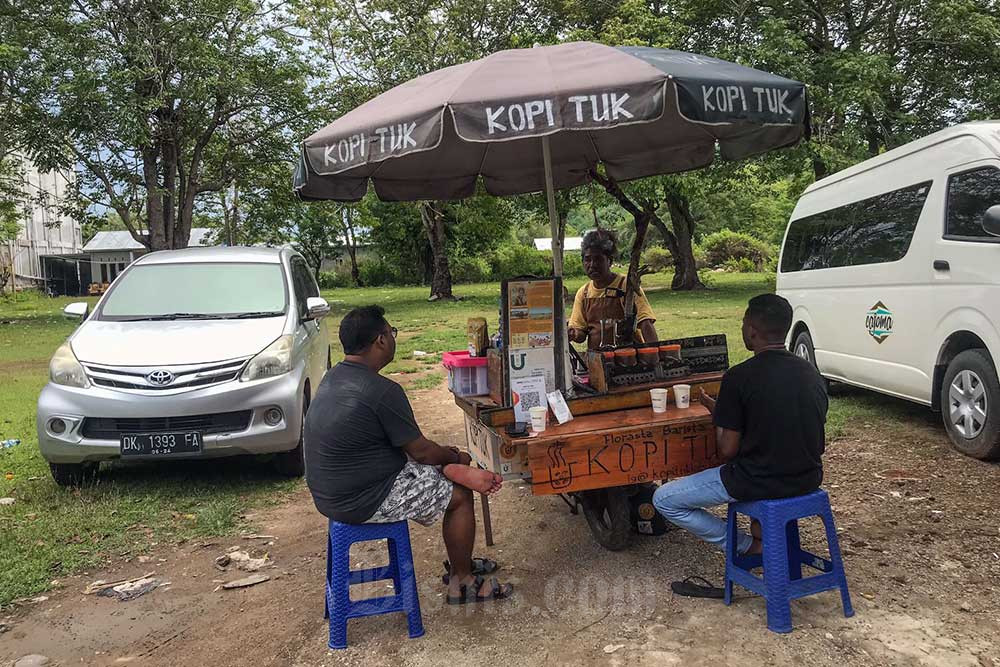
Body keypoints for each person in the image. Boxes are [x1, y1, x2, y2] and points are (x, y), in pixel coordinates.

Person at [304, 305, 513, 604]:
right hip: (360, 499)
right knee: (459, 495)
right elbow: (422, 451)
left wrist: (447, 459)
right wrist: (455, 458)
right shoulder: (381, 390)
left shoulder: (334, 377)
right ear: (380, 340)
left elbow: (407, 449)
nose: (393, 337)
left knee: (442, 466)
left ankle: (460, 559)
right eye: (391, 332)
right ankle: (463, 581)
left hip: (328, 493)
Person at [652, 294, 828, 593]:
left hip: (756, 480)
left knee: (664, 500)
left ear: (752, 331)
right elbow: (794, 425)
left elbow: (728, 449)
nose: (743, 328)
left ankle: (747, 546)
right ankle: (762, 540)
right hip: (807, 478)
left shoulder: (739, 377)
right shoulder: (811, 373)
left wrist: (719, 417)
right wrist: (725, 411)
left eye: (744, 322)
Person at [568, 229, 658, 349]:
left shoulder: (626, 285)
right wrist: (573, 333)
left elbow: (645, 322)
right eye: (588, 259)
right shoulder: (583, 293)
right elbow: (581, 334)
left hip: (628, 357)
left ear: (609, 261)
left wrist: (655, 353)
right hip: (597, 360)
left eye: (598, 259)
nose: (592, 264)